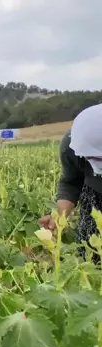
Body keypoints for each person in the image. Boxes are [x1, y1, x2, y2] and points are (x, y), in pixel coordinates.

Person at [38, 103, 102, 258]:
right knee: (90, 253)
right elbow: (71, 181)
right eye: (91, 158)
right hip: (95, 193)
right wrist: (60, 215)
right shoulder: (71, 145)